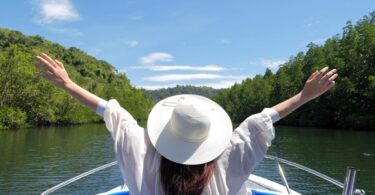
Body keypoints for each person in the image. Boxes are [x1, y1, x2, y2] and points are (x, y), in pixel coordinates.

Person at [35, 53, 338, 195]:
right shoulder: (231, 158)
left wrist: (67, 83)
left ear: (164, 131)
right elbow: (265, 118)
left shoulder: (141, 154)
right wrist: (304, 95)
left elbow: (109, 111)